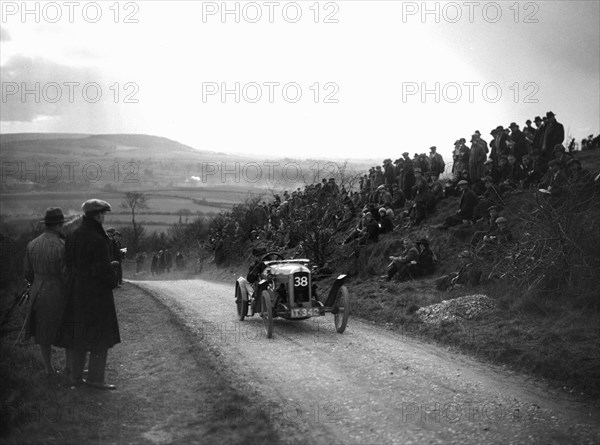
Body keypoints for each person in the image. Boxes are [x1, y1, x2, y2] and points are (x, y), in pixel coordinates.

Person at [61, 199, 120, 390]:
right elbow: (103, 269)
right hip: (96, 294)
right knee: (100, 337)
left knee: (79, 335)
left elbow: (68, 264)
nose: (104, 217)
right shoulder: (98, 239)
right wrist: (113, 279)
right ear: (98, 215)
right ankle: (95, 378)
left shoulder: (73, 235)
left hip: (76, 291)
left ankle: (75, 378)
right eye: (103, 214)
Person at [23, 207, 70, 377]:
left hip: (37, 292)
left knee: (42, 332)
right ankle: (68, 368)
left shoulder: (32, 244)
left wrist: (36, 282)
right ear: (58, 224)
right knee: (66, 328)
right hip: (57, 291)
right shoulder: (62, 246)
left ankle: (48, 369)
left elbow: (27, 272)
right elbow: (66, 273)